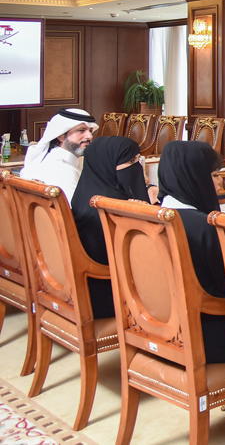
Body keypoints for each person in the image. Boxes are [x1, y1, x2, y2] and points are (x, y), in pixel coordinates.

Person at [157, 141, 225, 365]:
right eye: (214, 175)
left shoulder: (153, 214)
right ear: (194, 177)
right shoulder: (202, 227)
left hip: (164, 325)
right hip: (209, 334)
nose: (221, 183)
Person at [71, 136, 150, 319]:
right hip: (111, 294)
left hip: (85, 290)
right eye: (131, 161)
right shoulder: (111, 207)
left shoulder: (86, 191)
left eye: (138, 160)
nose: (136, 167)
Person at [20, 108, 98, 202]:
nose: (90, 136)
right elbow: (79, 211)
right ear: (60, 136)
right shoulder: (61, 170)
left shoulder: (55, 158)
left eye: (90, 130)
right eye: (81, 130)